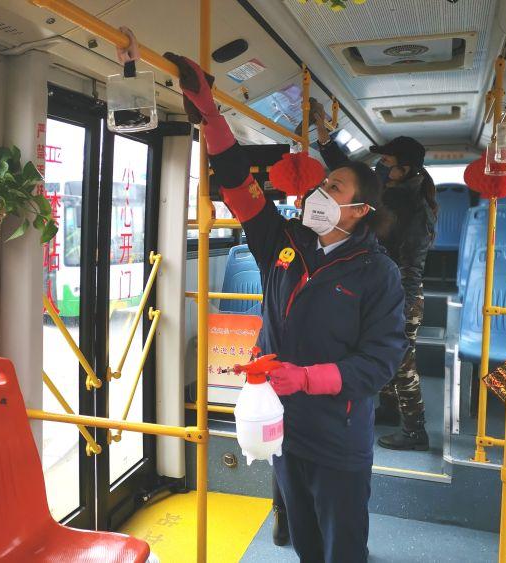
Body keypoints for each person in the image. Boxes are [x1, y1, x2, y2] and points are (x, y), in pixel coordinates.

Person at [164, 52, 407, 563]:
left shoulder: (377, 274)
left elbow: (380, 362)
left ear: (360, 211)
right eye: (321, 185)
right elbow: (239, 186)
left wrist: (306, 378)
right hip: (281, 424)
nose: (320, 193)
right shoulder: (285, 241)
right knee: (306, 541)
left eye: (333, 187)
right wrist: (210, 113)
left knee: (342, 546)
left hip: (337, 434)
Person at [314, 107, 437, 452]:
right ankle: (389, 408)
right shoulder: (387, 188)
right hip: (381, 286)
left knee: (401, 359)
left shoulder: (416, 209)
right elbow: (348, 171)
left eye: (387, 162)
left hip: (403, 292)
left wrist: (401, 309)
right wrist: (322, 133)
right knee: (377, 351)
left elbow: (411, 268)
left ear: (405, 169)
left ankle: (415, 431)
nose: (381, 167)